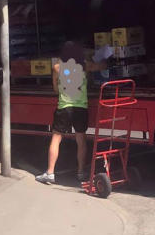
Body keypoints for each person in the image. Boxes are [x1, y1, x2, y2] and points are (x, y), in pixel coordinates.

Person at [36, 41, 106, 185]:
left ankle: (50, 173)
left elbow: (56, 89)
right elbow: (103, 66)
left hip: (64, 107)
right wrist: (101, 55)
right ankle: (81, 172)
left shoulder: (57, 68)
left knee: (56, 139)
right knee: (81, 140)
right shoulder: (84, 66)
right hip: (81, 108)